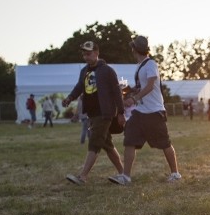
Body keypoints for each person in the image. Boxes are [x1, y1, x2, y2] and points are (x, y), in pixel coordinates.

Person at [108, 36, 182, 186]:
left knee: (165, 143)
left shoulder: (150, 64)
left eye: (132, 48)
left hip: (154, 111)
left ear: (135, 49)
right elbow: (142, 87)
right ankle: (126, 177)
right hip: (140, 112)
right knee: (129, 140)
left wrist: (134, 99)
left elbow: (150, 86)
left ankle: (175, 173)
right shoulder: (141, 65)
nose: (132, 51)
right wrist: (129, 90)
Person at [61, 41, 125, 185]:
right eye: (84, 54)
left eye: (88, 54)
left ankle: (83, 177)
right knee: (107, 144)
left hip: (105, 113)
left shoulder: (107, 71)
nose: (86, 57)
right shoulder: (84, 71)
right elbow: (79, 87)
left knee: (95, 142)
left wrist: (121, 112)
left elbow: (117, 92)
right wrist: (70, 98)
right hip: (92, 113)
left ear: (96, 53)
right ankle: (124, 173)